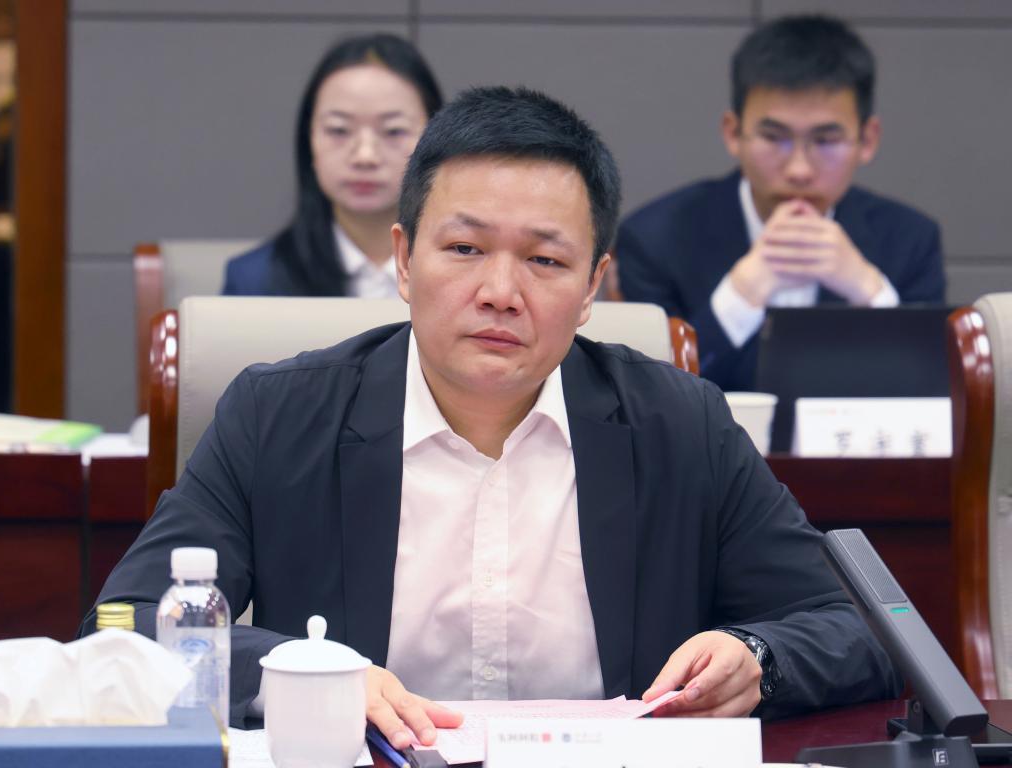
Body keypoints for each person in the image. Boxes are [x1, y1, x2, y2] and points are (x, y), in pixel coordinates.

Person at [84, 86, 900, 742]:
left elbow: (860, 630)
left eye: (544, 260)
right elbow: (120, 631)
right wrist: (304, 673)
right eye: (465, 249)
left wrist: (756, 656)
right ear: (404, 260)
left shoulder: (682, 426)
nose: (501, 292)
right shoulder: (277, 416)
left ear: (593, 286)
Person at [616, 15, 945, 391]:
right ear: (733, 133)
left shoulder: (910, 239)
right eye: (774, 138)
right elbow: (648, 394)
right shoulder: (655, 238)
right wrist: (741, 295)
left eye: (825, 141)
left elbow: (933, 394)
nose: (799, 170)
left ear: (867, 140)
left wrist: (868, 291)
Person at [222, 33, 442, 296]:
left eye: (393, 131)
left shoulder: (465, 270)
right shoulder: (255, 280)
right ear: (309, 140)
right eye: (339, 130)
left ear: (434, 137)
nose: (365, 156)